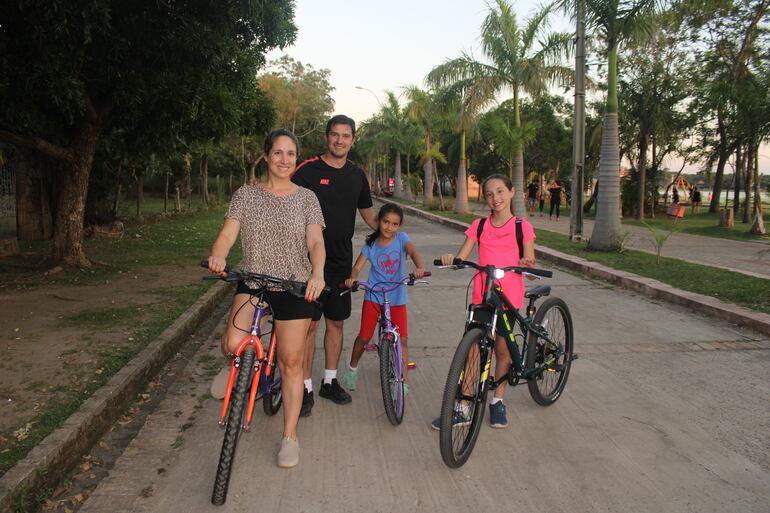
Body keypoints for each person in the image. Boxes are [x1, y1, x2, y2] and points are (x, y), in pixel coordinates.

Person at [207, 128, 326, 468]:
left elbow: (316, 242)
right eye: (278, 153)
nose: (284, 159)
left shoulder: (307, 198)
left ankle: (289, 437)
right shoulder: (246, 194)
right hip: (254, 278)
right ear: (266, 155)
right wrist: (218, 255)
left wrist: (317, 273)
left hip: (293, 284)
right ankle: (234, 364)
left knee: (290, 362)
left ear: (296, 158)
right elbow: (228, 233)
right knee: (232, 342)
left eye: (290, 154)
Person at [431, 173, 537, 430]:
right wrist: (451, 260)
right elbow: (462, 257)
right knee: (473, 350)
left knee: (502, 350)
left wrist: (527, 265)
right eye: (489, 194)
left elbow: (530, 264)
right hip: (482, 296)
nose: (495, 198)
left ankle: (497, 401)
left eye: (500, 192)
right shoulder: (479, 225)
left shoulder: (522, 226)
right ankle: (464, 406)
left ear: (512, 193)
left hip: (508, 297)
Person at [291, 115, 378, 415]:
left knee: (336, 323)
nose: (340, 140)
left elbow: (369, 214)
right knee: (309, 326)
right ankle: (304, 388)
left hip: (341, 264)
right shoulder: (307, 171)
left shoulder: (357, 176)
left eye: (346, 136)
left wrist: (393, 232)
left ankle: (329, 381)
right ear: (327, 137)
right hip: (307, 263)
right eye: (335, 135)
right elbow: (284, 199)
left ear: (353, 139)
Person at [343, 203, 426, 392]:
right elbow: (357, 267)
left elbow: (413, 252)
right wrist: (353, 278)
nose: (389, 227)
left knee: (403, 339)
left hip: (397, 296)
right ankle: (352, 368)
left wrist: (419, 267)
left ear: (399, 226)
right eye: (386, 222)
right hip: (374, 295)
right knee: (364, 336)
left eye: (394, 224)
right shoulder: (371, 244)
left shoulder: (402, 239)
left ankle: (403, 380)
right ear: (379, 221)